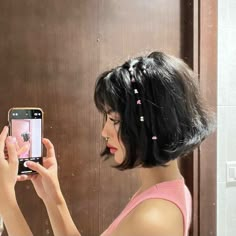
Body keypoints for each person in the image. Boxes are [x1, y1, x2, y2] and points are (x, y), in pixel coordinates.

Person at [0, 51, 215, 236]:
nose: (105, 131)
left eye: (115, 120)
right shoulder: (163, 190)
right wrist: (52, 197)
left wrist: (6, 201)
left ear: (152, 124)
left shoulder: (153, 218)